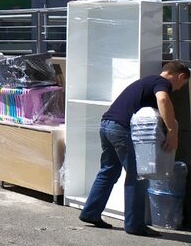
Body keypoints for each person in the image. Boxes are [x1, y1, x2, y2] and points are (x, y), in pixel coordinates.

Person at [79, 61, 190, 236]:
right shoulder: (161, 83)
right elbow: (163, 99)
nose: (179, 88)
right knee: (138, 174)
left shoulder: (147, 81)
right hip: (121, 129)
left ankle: (90, 213)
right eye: (182, 84)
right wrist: (172, 131)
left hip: (107, 125)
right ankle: (135, 225)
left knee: (108, 171)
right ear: (181, 76)